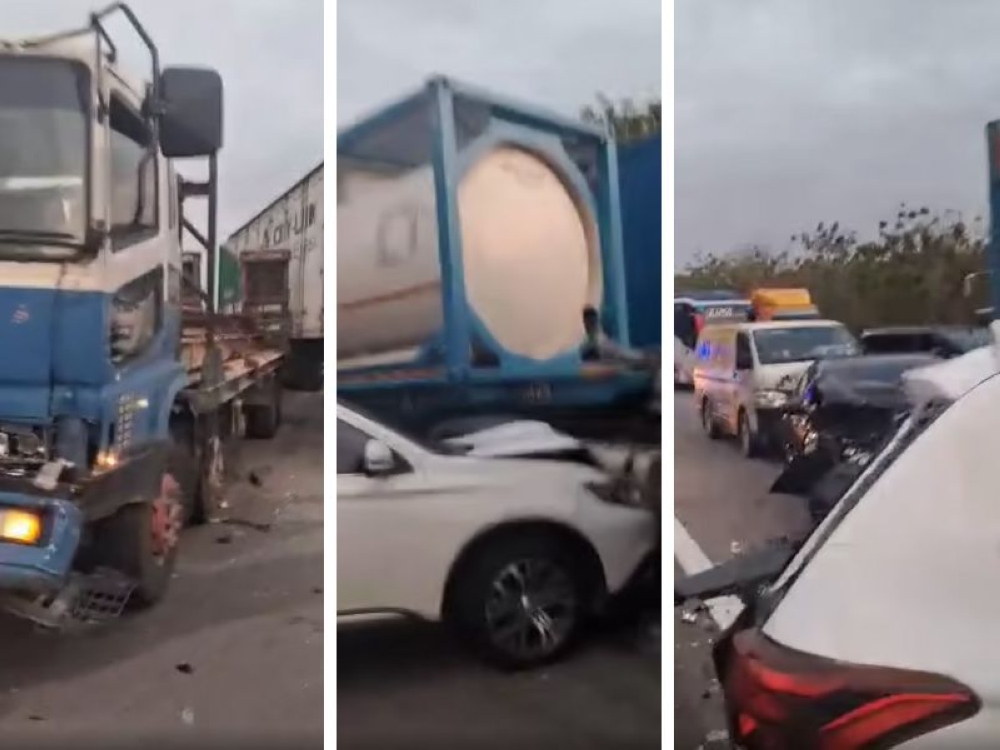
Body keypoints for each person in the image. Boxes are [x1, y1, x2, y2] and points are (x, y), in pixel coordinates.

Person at [580, 305, 647, 364]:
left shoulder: (597, 340)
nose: (588, 324)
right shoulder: (588, 343)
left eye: (591, 322)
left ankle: (644, 358)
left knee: (628, 355)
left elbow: (619, 353)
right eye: (588, 322)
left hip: (607, 353)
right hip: (605, 355)